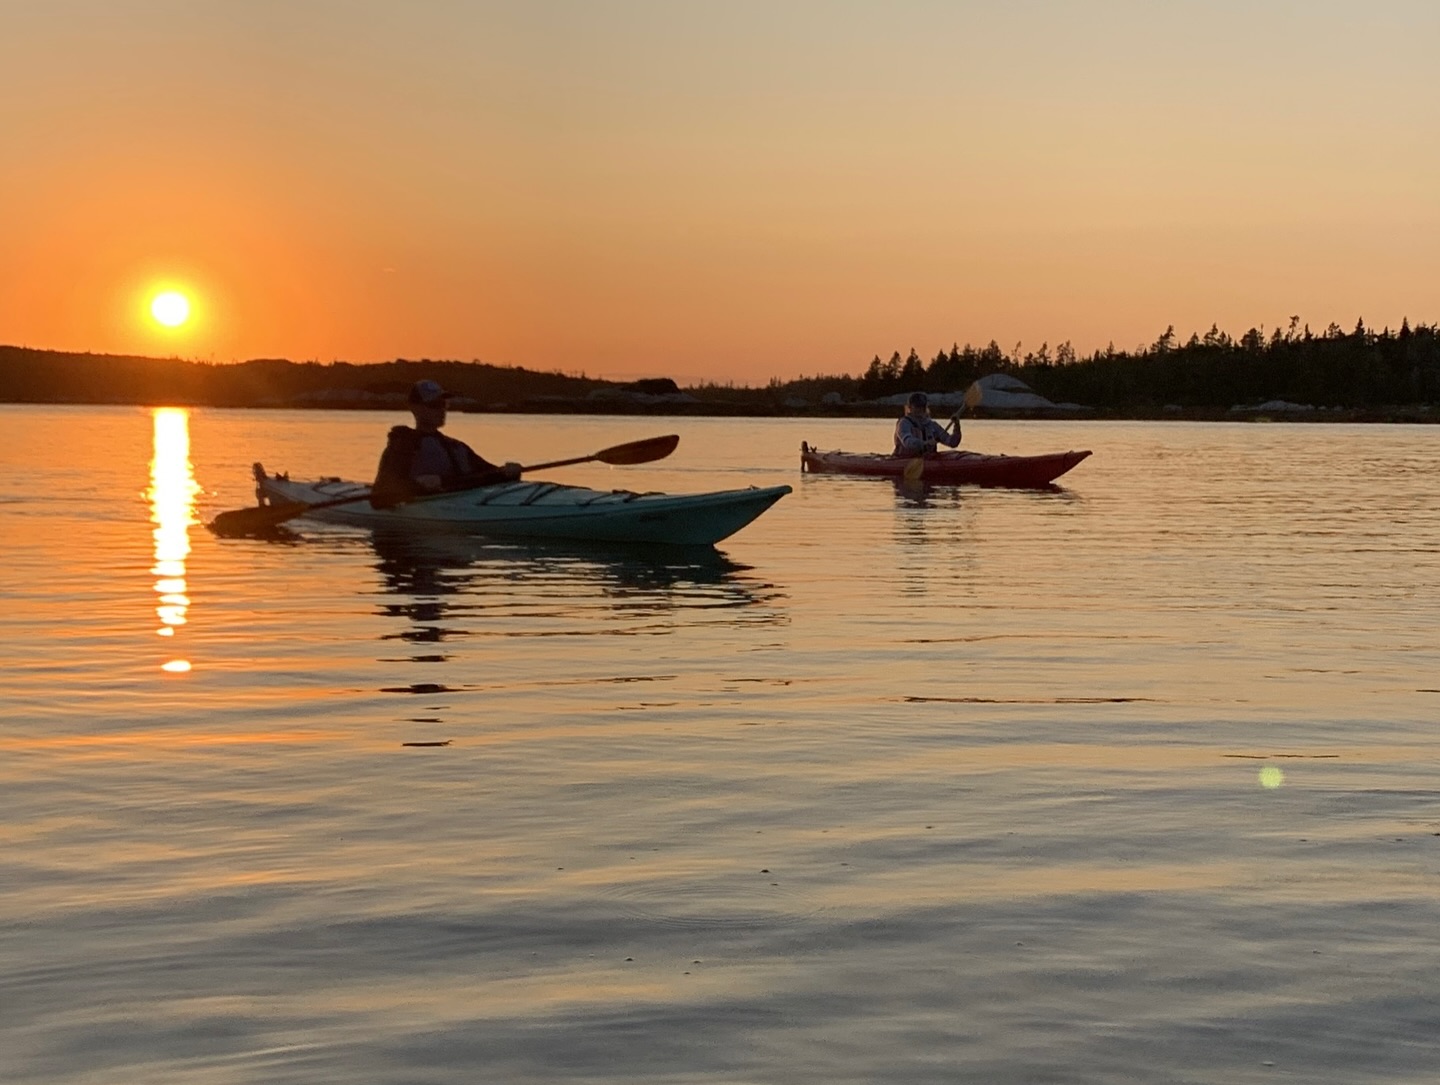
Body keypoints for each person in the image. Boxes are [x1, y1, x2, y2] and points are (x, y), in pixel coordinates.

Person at [370, 380, 522, 508]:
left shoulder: (456, 447)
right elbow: (380, 495)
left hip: (457, 502)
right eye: (434, 405)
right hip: (423, 508)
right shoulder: (402, 445)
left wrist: (507, 472)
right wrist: (416, 485)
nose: (441, 410)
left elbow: (487, 474)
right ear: (415, 408)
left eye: (444, 404)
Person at [893, 391, 961, 457]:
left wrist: (957, 425)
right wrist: (925, 443)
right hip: (904, 460)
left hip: (928, 461)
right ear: (910, 407)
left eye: (922, 407)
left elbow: (952, 443)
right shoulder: (904, 423)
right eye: (916, 407)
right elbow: (908, 442)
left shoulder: (932, 425)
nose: (920, 409)